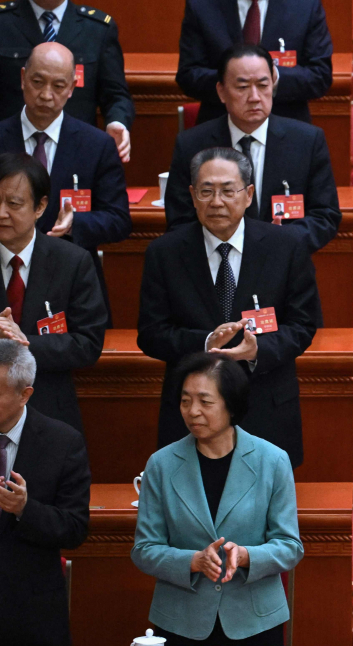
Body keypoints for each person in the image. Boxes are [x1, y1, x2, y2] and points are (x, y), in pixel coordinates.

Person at [138, 147, 322, 468]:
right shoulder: (164, 253)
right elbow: (151, 333)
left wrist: (256, 351)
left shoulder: (286, 247)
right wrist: (206, 343)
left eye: (228, 190)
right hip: (190, 415)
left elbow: (303, 325)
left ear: (248, 194)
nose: (217, 201)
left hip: (266, 407)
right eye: (206, 191)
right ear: (193, 196)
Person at [131, 351, 302, 646]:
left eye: (205, 402)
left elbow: (290, 546)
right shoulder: (161, 464)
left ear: (231, 406)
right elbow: (144, 549)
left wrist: (247, 555)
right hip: (181, 619)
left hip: (255, 621)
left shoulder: (272, 461)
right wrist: (192, 561)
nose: (193, 411)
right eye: (185, 401)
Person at [0, 42, 130, 325]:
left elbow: (119, 220)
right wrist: (8, 218)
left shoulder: (96, 145)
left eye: (59, 86)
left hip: (68, 281)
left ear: (72, 88)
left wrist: (75, 224)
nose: (46, 95)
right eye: (37, 82)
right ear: (23, 78)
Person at [0, 153, 107, 434]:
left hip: (49, 410)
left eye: (13, 203)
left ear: (40, 207)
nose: (0, 213)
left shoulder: (73, 261)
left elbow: (88, 343)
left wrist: (24, 344)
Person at [0, 339, 90, 646]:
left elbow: (75, 529)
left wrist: (26, 509)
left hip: (33, 615)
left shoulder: (63, 443)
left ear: (24, 394)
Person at [164, 44, 340, 254]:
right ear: (221, 92)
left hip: (284, 265)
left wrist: (280, 241)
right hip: (216, 266)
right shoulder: (191, 145)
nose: (255, 97)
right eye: (242, 87)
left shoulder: (307, 141)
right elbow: (179, 220)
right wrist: (226, 244)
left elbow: (325, 216)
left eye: (263, 85)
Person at [0, 0, 133, 163]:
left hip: (77, 152)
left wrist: (116, 122)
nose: (46, 96)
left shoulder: (98, 28)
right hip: (9, 154)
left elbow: (116, 95)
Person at [176, 0, 333, 125]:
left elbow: (321, 75)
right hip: (219, 133)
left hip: (288, 131)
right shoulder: (201, 5)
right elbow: (188, 74)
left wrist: (271, 78)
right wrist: (232, 82)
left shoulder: (305, 5)